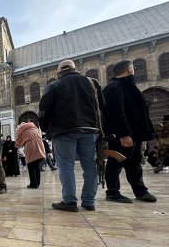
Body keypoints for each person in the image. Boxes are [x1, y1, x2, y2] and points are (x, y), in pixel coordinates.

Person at [39, 59, 103, 212]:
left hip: (63, 131)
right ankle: (89, 201)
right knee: (90, 165)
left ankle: (69, 201)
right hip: (89, 128)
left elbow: (43, 111)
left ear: (59, 73)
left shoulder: (54, 85)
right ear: (75, 69)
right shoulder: (92, 83)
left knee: (66, 165)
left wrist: (47, 129)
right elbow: (102, 105)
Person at [102, 59, 157, 203]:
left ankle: (140, 191)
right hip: (122, 135)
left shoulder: (128, 86)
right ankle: (113, 192)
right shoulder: (114, 87)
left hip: (134, 134)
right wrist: (124, 134)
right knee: (116, 162)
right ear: (129, 69)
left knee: (134, 163)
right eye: (133, 68)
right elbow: (116, 112)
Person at [15, 121, 46, 189]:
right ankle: (37, 182)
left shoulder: (22, 130)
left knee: (31, 165)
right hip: (39, 145)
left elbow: (18, 143)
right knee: (36, 166)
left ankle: (33, 184)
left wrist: (18, 145)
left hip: (30, 146)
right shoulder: (34, 127)